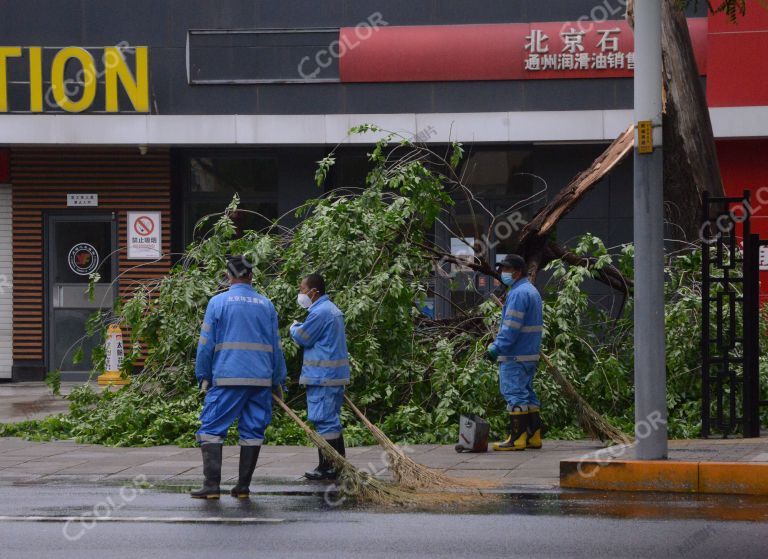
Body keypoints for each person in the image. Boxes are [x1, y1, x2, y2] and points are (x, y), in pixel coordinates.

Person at [191, 255, 287, 499]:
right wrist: (277, 380)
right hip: (260, 380)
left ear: (228, 275)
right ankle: (243, 487)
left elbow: (205, 345)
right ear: (251, 275)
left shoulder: (218, 303)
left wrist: (203, 374)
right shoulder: (266, 305)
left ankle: (212, 487)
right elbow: (276, 346)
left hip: (227, 377)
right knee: (253, 431)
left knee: (212, 428)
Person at [290, 273, 350, 480]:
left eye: (302, 289)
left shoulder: (320, 312)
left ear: (314, 292)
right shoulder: (330, 309)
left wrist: (294, 327)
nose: (300, 293)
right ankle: (337, 464)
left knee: (323, 420)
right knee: (330, 420)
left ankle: (329, 467)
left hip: (322, 377)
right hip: (332, 376)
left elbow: (303, 337)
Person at [485, 254, 544, 451]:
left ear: (517, 272)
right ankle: (533, 437)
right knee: (527, 394)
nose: (502, 273)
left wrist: (495, 348)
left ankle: (516, 439)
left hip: (515, 355)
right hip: (529, 354)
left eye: (506, 269)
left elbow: (510, 327)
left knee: (514, 394)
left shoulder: (518, 294)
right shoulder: (531, 291)